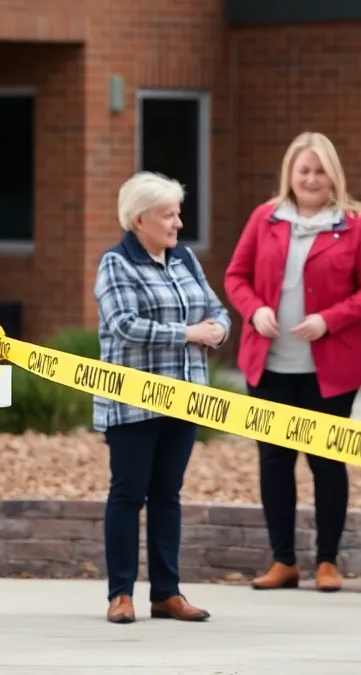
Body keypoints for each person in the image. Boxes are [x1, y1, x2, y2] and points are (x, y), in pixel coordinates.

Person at [224, 131, 361, 594]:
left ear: (333, 175)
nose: (312, 179)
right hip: (269, 364)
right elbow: (236, 275)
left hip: (329, 370)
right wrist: (254, 309)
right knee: (274, 462)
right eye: (304, 171)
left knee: (326, 462)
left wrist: (329, 320)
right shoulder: (265, 217)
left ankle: (328, 562)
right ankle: (283, 561)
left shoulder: (354, 223)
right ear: (290, 175)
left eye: (319, 171)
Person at [93, 171, 233, 625]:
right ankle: (120, 595)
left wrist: (217, 330)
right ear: (140, 219)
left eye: (178, 214)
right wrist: (189, 333)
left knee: (168, 495)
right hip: (132, 402)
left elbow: (216, 309)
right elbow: (124, 325)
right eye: (167, 215)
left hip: (184, 397)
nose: (177, 223)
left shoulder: (186, 260)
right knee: (128, 494)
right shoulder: (116, 263)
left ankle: (166, 594)